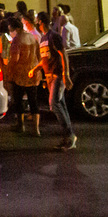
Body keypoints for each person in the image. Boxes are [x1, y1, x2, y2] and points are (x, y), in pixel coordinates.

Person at [37, 13, 76, 150]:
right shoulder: (43, 38)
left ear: (41, 22)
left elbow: (63, 53)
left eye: (37, 21)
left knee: (53, 103)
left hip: (57, 75)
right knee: (61, 104)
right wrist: (35, 69)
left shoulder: (53, 36)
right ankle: (68, 137)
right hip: (49, 76)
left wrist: (66, 74)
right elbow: (44, 59)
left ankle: (69, 135)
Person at [6, 16, 43, 136]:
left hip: (20, 74)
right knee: (34, 101)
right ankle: (36, 129)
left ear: (15, 28)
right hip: (33, 72)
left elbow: (15, 58)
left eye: (10, 28)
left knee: (19, 100)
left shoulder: (17, 40)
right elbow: (39, 55)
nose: (10, 31)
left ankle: (21, 125)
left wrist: (9, 69)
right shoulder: (32, 37)